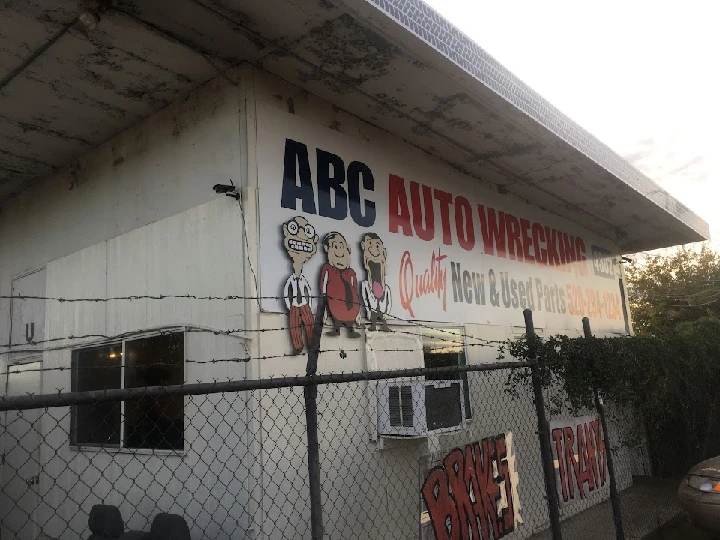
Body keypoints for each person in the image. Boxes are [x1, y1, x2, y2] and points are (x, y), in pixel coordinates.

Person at [281, 216, 319, 354]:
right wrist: (289, 305)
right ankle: (298, 346)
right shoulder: (291, 280)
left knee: (310, 324)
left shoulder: (303, 280)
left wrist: (308, 303)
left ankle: (311, 344)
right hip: (294, 305)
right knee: (294, 326)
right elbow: (286, 292)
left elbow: (308, 290)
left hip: (304, 303)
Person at [320, 232, 361, 337]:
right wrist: (323, 307)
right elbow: (323, 286)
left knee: (350, 312)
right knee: (336, 312)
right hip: (334, 302)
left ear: (347, 248)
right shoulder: (328, 269)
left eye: (341, 246)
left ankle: (350, 329)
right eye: (335, 246)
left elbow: (355, 291)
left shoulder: (351, 273)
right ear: (327, 249)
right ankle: (336, 328)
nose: (339, 250)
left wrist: (358, 312)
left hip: (351, 304)